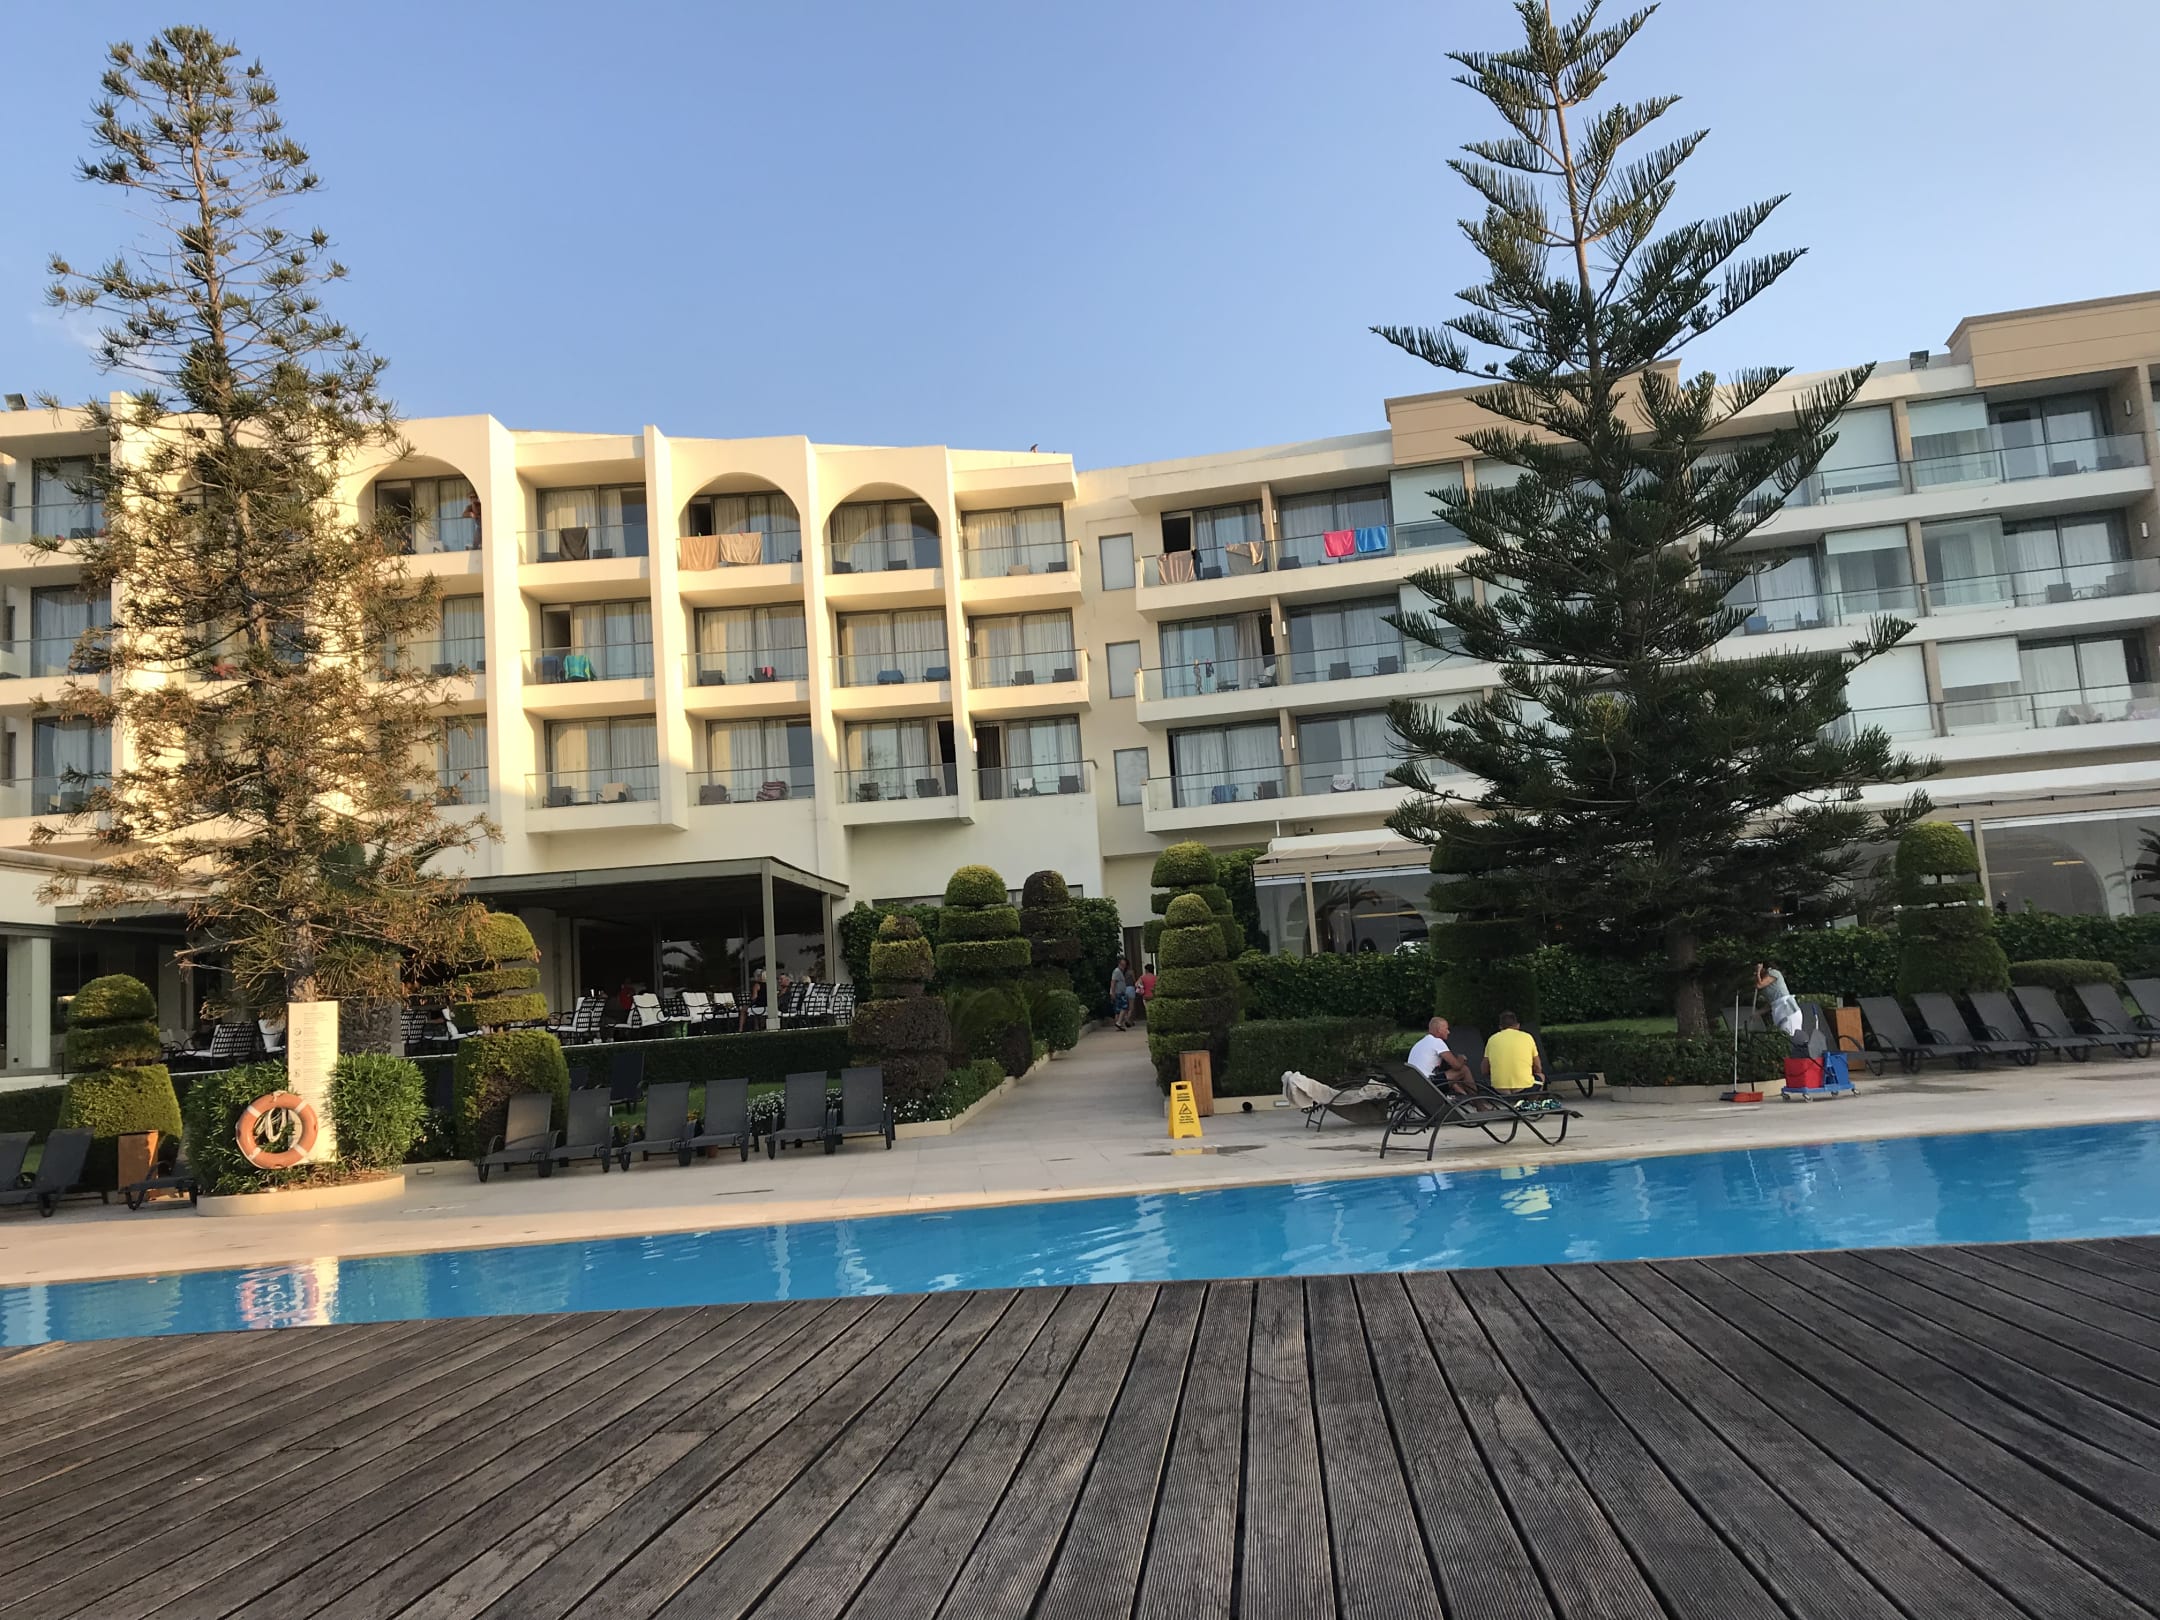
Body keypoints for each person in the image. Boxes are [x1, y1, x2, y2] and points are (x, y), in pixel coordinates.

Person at [1483, 1011, 1546, 1095]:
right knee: (1541, 1076)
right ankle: (1532, 1101)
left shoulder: (1492, 1039)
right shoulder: (1527, 1037)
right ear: (1518, 1025)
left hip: (1499, 1089)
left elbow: (1484, 1069)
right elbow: (1538, 1067)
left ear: (1500, 1027)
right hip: (1524, 1088)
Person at [1405, 1016, 1473, 1091]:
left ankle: (1463, 1094)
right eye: (1446, 1029)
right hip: (1427, 1083)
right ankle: (1476, 1097)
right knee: (1464, 1069)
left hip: (1414, 1082)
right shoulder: (1437, 1041)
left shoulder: (1420, 1043)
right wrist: (1461, 1059)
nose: (1448, 1032)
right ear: (1439, 1030)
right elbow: (1457, 1066)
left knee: (1447, 1075)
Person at [1757, 960, 1802, 1040]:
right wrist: (1758, 1013)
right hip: (1781, 1013)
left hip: (1788, 1013)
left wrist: (1758, 971)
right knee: (1784, 1039)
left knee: (1790, 1039)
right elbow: (1771, 1004)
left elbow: (1759, 985)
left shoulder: (1773, 973)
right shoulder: (1768, 986)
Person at [1110, 957, 1132, 1031]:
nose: (1123, 966)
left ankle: (1118, 1024)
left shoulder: (1120, 972)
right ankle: (1119, 1022)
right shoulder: (1117, 971)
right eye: (1122, 964)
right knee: (1124, 1007)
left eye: (1124, 965)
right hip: (1119, 993)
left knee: (1118, 1010)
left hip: (1120, 992)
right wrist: (1112, 992)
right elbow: (1113, 982)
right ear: (1119, 964)